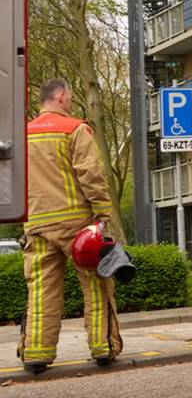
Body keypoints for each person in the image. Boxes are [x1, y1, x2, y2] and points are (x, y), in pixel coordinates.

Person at [18, 79, 122, 374]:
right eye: (71, 96)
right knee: (97, 285)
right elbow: (91, 173)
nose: (72, 101)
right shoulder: (74, 129)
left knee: (41, 291)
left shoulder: (22, 134)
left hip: (37, 224)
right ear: (61, 96)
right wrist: (103, 213)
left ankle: (36, 354)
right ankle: (104, 347)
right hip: (77, 225)